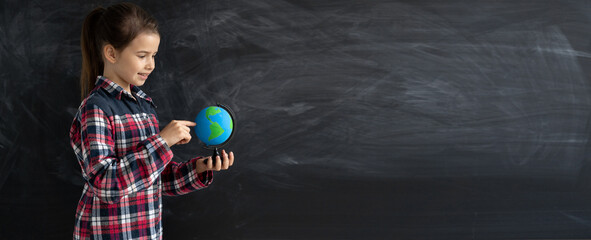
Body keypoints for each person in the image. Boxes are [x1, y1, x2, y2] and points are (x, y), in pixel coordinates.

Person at [69, 2, 235, 239]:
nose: (151, 64)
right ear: (111, 53)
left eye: (153, 55)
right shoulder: (95, 109)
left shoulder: (145, 106)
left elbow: (155, 181)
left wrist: (198, 169)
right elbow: (105, 185)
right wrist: (162, 141)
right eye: (142, 55)